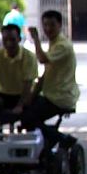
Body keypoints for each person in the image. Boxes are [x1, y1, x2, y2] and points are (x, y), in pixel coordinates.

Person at [21, 10, 79, 138]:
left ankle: (62, 139)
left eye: (52, 25)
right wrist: (30, 96)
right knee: (25, 112)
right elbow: (45, 76)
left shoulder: (62, 46)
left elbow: (42, 59)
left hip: (60, 98)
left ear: (60, 25)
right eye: (45, 25)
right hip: (52, 95)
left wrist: (36, 39)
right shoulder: (54, 44)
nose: (48, 29)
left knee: (28, 119)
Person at [0, 24, 37, 121]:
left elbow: (28, 85)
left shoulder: (29, 57)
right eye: (5, 40)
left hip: (22, 95)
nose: (9, 44)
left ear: (19, 39)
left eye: (12, 40)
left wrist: (20, 106)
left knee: (32, 112)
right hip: (3, 95)